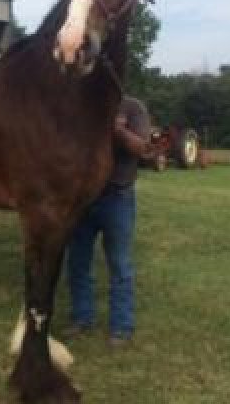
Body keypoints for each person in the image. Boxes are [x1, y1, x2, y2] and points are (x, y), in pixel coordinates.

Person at [66, 96, 154, 346]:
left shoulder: (132, 107)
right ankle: (82, 318)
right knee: (77, 263)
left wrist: (119, 130)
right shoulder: (83, 104)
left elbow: (143, 149)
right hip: (83, 199)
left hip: (118, 197)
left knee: (120, 265)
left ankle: (121, 328)